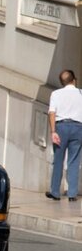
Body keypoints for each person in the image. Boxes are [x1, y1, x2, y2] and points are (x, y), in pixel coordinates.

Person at [46, 69, 82, 202]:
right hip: (78, 127)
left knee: (58, 160)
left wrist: (53, 131)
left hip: (61, 127)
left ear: (62, 82)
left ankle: (55, 191)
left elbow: (51, 112)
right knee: (74, 161)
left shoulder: (56, 94)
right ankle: (72, 194)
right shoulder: (81, 94)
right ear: (74, 80)